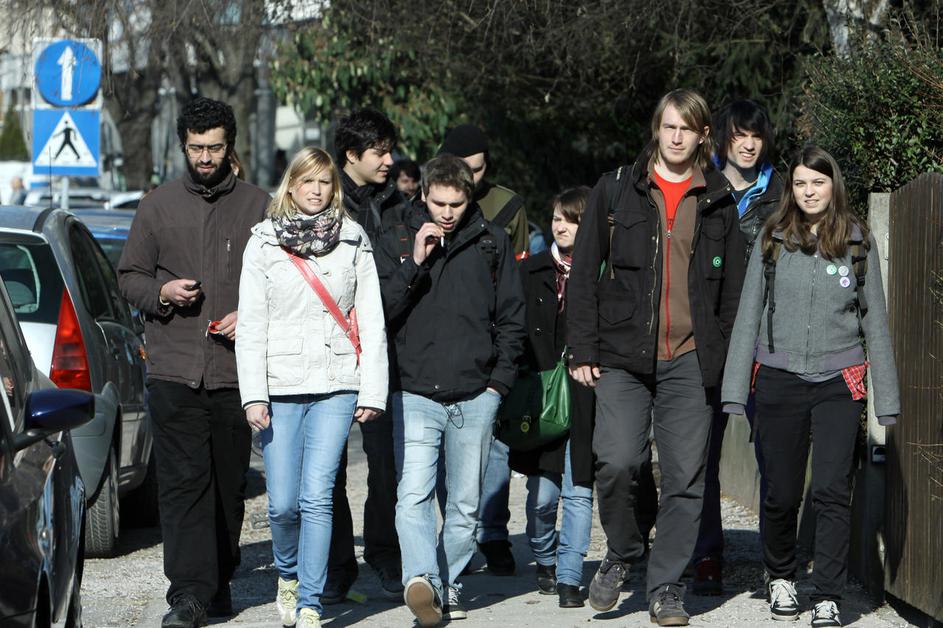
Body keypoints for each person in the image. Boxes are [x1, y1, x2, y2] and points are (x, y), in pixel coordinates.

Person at [567, 89, 746, 626]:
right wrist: (582, 347)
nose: (676, 137)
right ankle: (623, 551)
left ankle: (666, 586)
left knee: (686, 477)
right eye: (669, 126)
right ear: (656, 129)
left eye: (686, 129)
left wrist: (725, 359)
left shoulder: (718, 199)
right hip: (622, 356)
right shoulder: (617, 188)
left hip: (691, 360)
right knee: (617, 460)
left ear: (703, 135)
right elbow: (584, 272)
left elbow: (734, 294)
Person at [721, 145, 899, 627]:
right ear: (791, 189)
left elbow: (875, 322)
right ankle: (781, 575)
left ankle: (827, 594)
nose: (809, 191)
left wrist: (886, 399)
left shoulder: (857, 242)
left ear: (833, 185)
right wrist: (734, 390)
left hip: (840, 380)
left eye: (817, 182)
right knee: (780, 492)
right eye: (800, 183)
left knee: (832, 490)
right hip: (778, 379)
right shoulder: (773, 238)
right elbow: (749, 314)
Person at [118, 97, 270, 628]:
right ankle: (187, 595)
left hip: (235, 374)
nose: (205, 157)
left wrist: (250, 315)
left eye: (215, 148)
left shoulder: (260, 206)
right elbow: (129, 277)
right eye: (196, 148)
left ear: (231, 147)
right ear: (183, 146)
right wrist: (163, 292)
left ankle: (218, 581)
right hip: (173, 369)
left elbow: (282, 282)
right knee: (183, 487)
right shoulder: (157, 206)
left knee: (228, 487)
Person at [236, 146, 389, 628]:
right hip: (279, 385)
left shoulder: (352, 238)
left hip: (336, 383)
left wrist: (373, 391)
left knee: (318, 496)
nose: (316, 190)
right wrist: (253, 394)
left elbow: (371, 319)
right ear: (291, 185)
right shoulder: (263, 242)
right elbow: (252, 324)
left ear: (334, 188)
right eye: (307, 181)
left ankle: (310, 601)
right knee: (283, 504)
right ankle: (288, 573)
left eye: (325, 182)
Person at [376, 154, 526, 626]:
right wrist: (416, 262)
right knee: (413, 495)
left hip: (476, 393)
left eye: (455, 204)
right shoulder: (398, 237)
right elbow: (380, 310)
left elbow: (512, 318)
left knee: (464, 505)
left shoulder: (492, 241)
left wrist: (497, 386)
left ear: (469, 198)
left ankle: (446, 582)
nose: (446, 213)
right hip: (415, 390)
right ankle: (422, 578)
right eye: (438, 203)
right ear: (423, 195)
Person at [691, 99, 784, 595]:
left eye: (756, 135)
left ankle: (777, 562)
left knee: (774, 455)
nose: (748, 145)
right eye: (739, 135)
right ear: (721, 137)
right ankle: (706, 553)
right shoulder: (701, 189)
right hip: (711, 339)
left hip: (767, 342)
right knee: (701, 455)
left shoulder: (783, 195)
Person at [437, 122, 529, 576]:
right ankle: (456, 535)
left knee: (493, 447)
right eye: (462, 169)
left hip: (489, 344)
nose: (470, 179)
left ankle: (493, 533)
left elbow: (518, 277)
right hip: (440, 346)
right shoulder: (431, 202)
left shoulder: (507, 205)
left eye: (478, 169)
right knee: (443, 450)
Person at [327, 107, 411, 602]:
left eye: (390, 150)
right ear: (351, 155)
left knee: (386, 465)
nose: (389, 160)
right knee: (329, 467)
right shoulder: (324, 203)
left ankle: (384, 553)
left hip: (387, 355)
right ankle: (338, 565)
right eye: (379, 152)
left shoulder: (400, 206)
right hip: (334, 354)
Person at [508, 187, 595, 609]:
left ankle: (570, 577)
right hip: (540, 397)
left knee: (579, 490)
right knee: (543, 497)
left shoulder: (602, 272)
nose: (561, 226)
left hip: (586, 394)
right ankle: (543, 555)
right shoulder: (531, 270)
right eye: (557, 217)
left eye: (571, 219)